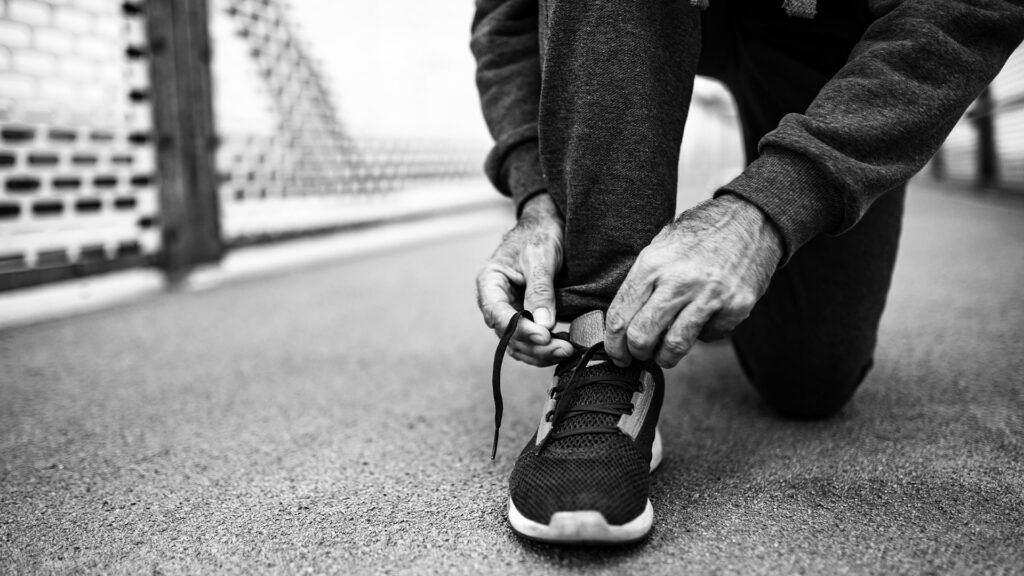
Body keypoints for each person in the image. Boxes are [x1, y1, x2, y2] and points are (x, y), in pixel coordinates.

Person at [471, 0, 1024, 545]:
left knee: (809, 378)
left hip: (828, 30)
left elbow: (973, 8)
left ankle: (719, 231)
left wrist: (765, 212)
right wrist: (537, 193)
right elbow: (508, 15)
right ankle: (608, 355)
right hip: (634, 18)